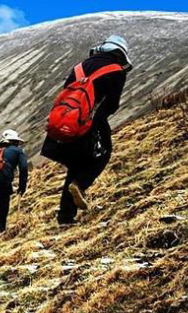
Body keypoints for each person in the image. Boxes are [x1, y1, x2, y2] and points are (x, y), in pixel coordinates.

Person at [41, 35, 132, 225]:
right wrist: (97, 122)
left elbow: (66, 93)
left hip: (65, 121)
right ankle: (80, 185)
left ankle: (66, 217)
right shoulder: (117, 71)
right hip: (90, 122)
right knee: (103, 154)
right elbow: (112, 104)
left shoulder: (79, 68)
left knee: (76, 165)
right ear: (120, 54)